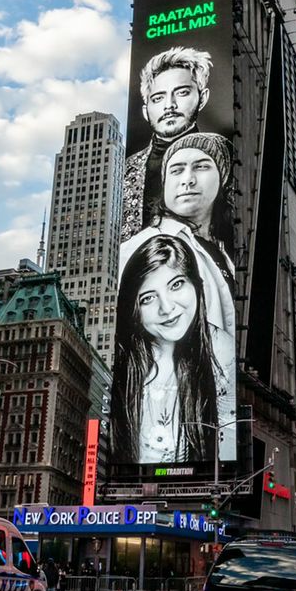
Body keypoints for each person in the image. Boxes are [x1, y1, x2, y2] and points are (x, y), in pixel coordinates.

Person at [110, 233, 234, 465]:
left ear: (197, 285)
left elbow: (227, 447)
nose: (166, 308)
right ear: (133, 310)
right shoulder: (124, 366)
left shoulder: (223, 352)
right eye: (148, 298)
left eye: (176, 285)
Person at [119, 132, 235, 336]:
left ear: (222, 177)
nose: (187, 180)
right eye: (176, 170)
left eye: (201, 166)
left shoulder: (224, 250)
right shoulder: (139, 248)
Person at [122, 47, 214, 234]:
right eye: (158, 98)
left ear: (202, 98)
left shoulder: (220, 159)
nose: (169, 105)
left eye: (181, 93)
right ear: (145, 111)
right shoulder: (127, 170)